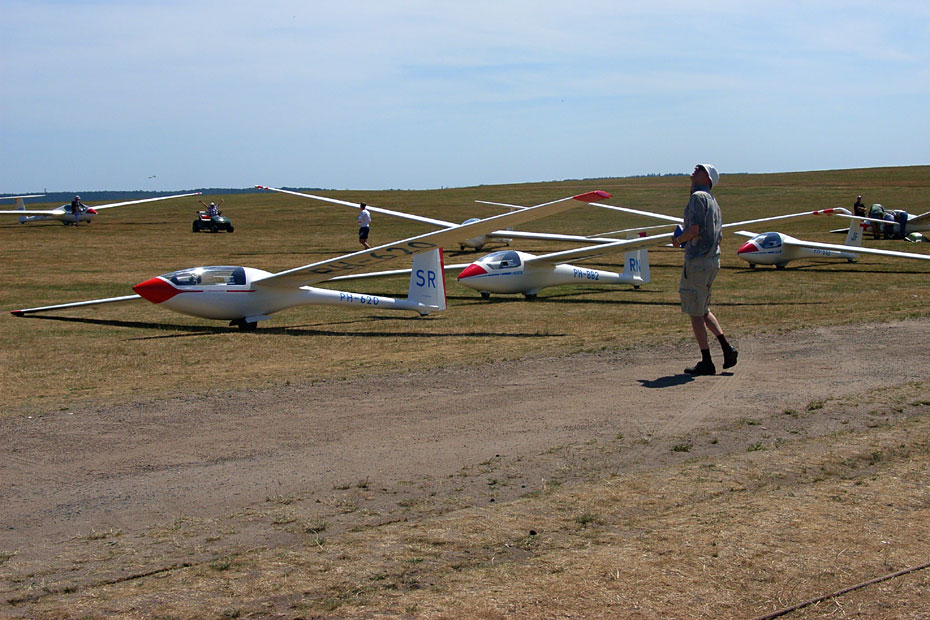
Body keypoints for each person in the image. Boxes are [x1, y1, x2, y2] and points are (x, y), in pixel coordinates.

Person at [671, 164, 737, 376]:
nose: (695, 169)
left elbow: (695, 229)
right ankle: (727, 348)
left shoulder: (698, 198)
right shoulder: (713, 201)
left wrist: (679, 240)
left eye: (700, 169)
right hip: (712, 259)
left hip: (698, 260)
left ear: (707, 179)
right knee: (703, 307)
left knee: (694, 311)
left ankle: (706, 361)